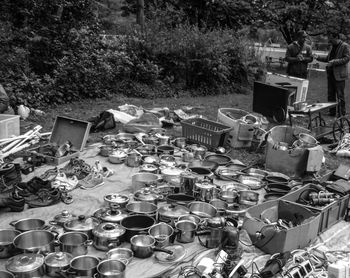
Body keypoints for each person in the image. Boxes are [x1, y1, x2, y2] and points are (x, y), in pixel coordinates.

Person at [315, 32, 350, 116]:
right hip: (330, 74)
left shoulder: (345, 46)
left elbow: (347, 58)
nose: (330, 41)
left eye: (331, 39)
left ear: (337, 37)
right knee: (330, 95)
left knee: (340, 95)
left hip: (339, 75)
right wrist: (318, 57)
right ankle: (332, 112)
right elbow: (328, 58)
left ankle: (342, 113)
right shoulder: (332, 47)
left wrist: (334, 62)